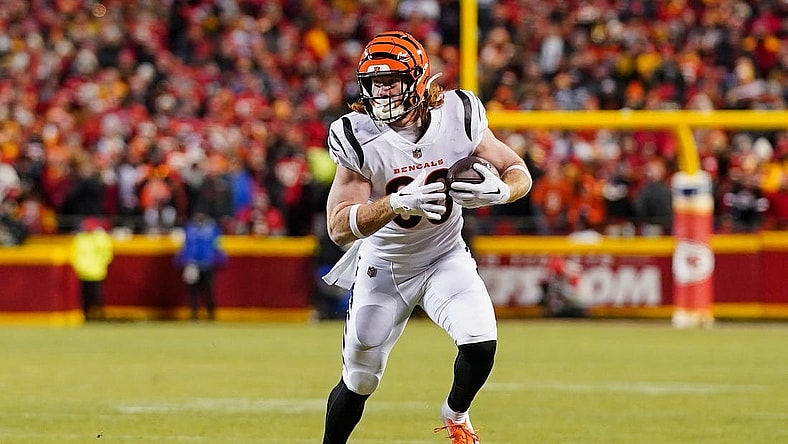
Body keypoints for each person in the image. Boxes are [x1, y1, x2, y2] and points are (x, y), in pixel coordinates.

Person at [320, 31, 533, 444]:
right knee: (360, 380)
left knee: (480, 341)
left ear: (418, 80)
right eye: (374, 82)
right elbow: (338, 227)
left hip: (444, 256)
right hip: (385, 267)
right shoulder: (357, 135)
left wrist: (502, 191)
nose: (381, 92)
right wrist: (396, 203)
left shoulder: (459, 114)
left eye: (391, 81)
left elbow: (516, 169)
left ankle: (455, 414)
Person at [175, 212, 227, 320]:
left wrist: (219, 260)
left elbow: (218, 246)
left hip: (207, 264)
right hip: (192, 264)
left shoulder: (212, 229)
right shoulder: (189, 228)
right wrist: (182, 262)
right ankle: (194, 314)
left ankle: (211, 313)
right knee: (193, 291)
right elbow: (184, 246)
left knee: (209, 290)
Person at [69, 217, 114, 321]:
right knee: (85, 296)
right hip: (83, 272)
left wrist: (101, 264)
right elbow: (74, 254)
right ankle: (87, 315)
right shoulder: (81, 238)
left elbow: (106, 254)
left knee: (96, 295)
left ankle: (99, 315)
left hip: (96, 271)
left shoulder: (100, 238)